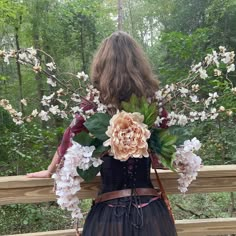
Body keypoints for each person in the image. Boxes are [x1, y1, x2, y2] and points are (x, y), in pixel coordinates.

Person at [27, 31, 177, 236]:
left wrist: (51, 169)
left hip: (108, 215)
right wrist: (184, 159)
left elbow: (70, 141)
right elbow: (162, 156)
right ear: (139, 64)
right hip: (151, 212)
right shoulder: (153, 103)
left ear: (102, 65)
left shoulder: (93, 105)